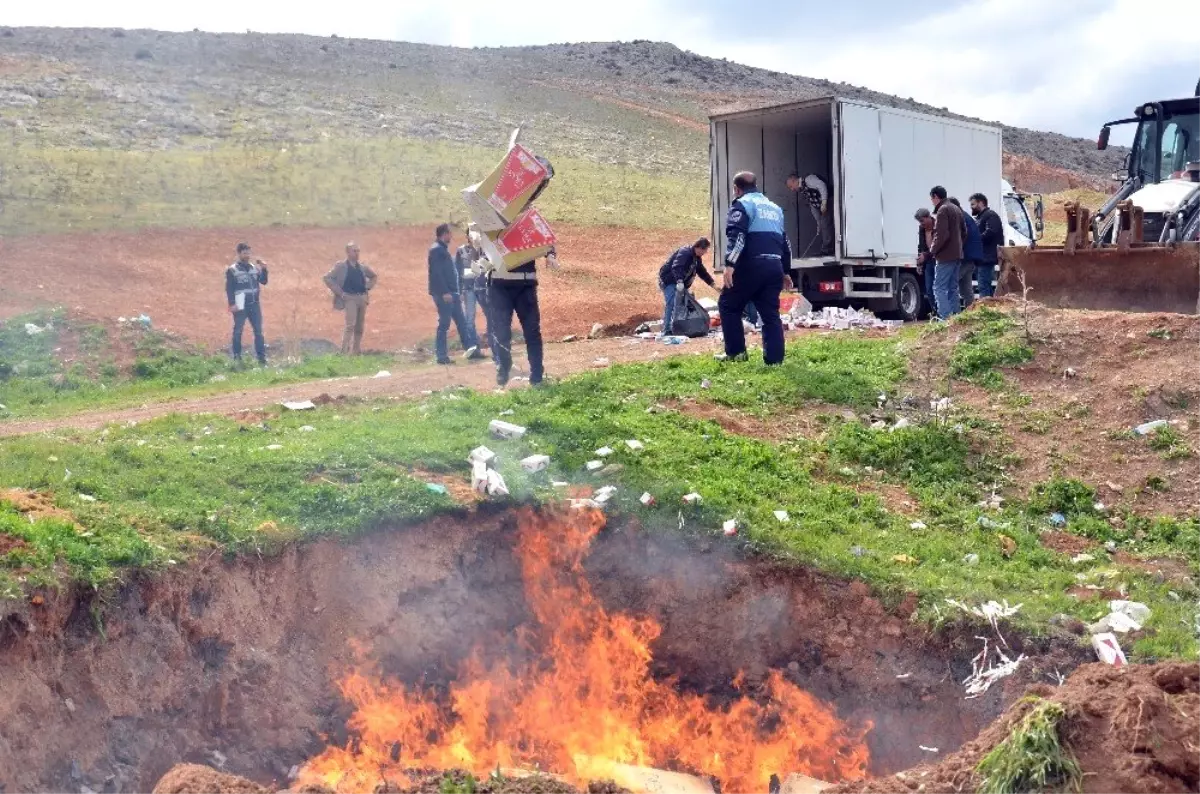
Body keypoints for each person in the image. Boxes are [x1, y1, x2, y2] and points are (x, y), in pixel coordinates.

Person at [719, 171, 793, 365]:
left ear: (737, 189)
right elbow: (785, 243)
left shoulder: (742, 204)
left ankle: (736, 354)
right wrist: (785, 271)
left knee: (728, 305)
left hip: (751, 265)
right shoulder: (775, 208)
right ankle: (774, 360)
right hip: (774, 267)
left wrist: (729, 264)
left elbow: (738, 237)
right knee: (770, 315)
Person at [488, 247, 557, 388]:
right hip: (499, 285)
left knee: (532, 332)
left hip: (525, 284)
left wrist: (550, 254)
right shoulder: (495, 225)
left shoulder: (527, 225)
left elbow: (542, 236)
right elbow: (479, 235)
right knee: (501, 332)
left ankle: (537, 375)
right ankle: (504, 365)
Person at [427, 224, 483, 365]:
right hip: (445, 294)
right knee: (444, 324)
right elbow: (436, 274)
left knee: (462, 322)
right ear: (443, 234)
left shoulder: (441, 250)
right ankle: (441, 356)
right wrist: (445, 292)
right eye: (449, 234)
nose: (451, 236)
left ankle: (471, 350)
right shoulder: (437, 250)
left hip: (453, 293)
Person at [323, 242, 378, 355]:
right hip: (350, 298)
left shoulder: (362, 267)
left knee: (359, 326)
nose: (357, 253)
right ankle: (344, 351)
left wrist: (367, 286)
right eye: (354, 251)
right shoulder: (341, 266)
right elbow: (327, 278)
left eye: (358, 251)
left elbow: (374, 276)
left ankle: (356, 351)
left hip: (362, 297)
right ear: (348, 252)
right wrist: (340, 293)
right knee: (350, 325)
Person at [658, 238, 715, 336]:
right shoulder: (685, 253)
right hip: (669, 281)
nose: (705, 252)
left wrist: (712, 284)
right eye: (705, 250)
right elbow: (676, 267)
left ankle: (676, 328)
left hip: (679, 283)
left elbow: (702, 272)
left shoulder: (696, 258)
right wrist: (679, 281)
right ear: (699, 248)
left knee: (681, 305)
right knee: (671, 303)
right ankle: (666, 330)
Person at [225, 241, 269, 365]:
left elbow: (264, 281)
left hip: (254, 303)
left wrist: (264, 269)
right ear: (239, 254)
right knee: (238, 330)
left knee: (258, 331)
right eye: (244, 253)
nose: (247, 255)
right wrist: (232, 303)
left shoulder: (254, 268)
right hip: (239, 302)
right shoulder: (232, 270)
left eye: (248, 253)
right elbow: (229, 288)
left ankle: (261, 359)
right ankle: (237, 357)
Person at [929, 186, 965, 319]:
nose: (932, 202)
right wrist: (958, 247)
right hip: (957, 255)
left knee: (939, 287)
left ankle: (945, 319)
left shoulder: (943, 210)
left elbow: (941, 234)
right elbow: (964, 232)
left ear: (935, 196)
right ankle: (956, 317)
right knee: (953, 287)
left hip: (945, 256)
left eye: (932, 198)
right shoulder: (956, 209)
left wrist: (933, 250)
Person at [787, 172, 834, 256]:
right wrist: (818, 222)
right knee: (823, 224)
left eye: (791, 186)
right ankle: (827, 249)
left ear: (795, 181)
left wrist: (824, 201)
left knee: (826, 224)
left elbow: (821, 185)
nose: (792, 189)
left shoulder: (809, 179)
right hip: (821, 206)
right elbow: (813, 205)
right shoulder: (803, 190)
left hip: (829, 200)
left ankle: (827, 250)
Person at [949, 197, 983, 309]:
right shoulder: (966, 216)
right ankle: (971, 311)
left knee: (951, 284)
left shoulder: (959, 218)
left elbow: (959, 238)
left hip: (964, 258)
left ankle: (954, 313)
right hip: (971, 258)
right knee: (966, 289)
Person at [455, 226, 486, 351]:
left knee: (491, 315)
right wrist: (459, 290)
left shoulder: (483, 250)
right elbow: (457, 271)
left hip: (483, 287)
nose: (473, 237)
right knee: (469, 318)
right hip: (468, 289)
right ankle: (474, 346)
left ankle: (496, 343)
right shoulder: (461, 251)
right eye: (471, 234)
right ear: (467, 236)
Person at [970, 193, 1004, 298]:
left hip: (986, 258)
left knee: (984, 286)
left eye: (973, 204)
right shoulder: (982, 217)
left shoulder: (990, 215)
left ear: (981, 203)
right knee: (983, 286)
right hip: (982, 258)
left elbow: (990, 232)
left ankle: (986, 308)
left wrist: (975, 240)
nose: (971, 207)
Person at [914, 208, 936, 315]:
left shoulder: (938, 226)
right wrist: (919, 263)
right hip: (928, 262)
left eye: (922, 221)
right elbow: (921, 246)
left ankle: (942, 312)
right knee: (929, 289)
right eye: (919, 222)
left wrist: (925, 255)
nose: (921, 224)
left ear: (928, 217)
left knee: (939, 288)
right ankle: (935, 311)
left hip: (939, 261)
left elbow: (938, 246)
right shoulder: (922, 229)